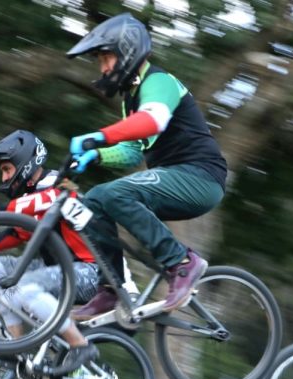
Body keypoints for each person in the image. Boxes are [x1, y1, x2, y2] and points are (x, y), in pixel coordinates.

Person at [64, 13, 228, 320]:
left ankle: (182, 262)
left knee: (114, 194)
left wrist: (100, 136)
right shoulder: (131, 100)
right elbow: (131, 152)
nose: (103, 68)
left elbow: (153, 121)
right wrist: (96, 155)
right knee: (94, 201)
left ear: (127, 51)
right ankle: (111, 287)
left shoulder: (159, 82)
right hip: (173, 177)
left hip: (200, 177)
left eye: (106, 58)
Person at [0, 129, 99, 373]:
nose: (4, 178)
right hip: (56, 270)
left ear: (24, 162)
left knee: (26, 287)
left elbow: (46, 200)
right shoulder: (30, 197)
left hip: (88, 272)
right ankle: (17, 349)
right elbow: (18, 233)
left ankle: (80, 345)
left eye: (7, 169)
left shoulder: (56, 183)